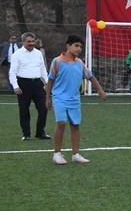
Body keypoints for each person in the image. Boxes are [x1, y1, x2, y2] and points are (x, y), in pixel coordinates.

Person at [46, 34, 107, 164]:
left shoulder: (80, 63)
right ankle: (57, 154)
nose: (79, 49)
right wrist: (48, 98)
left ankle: (76, 154)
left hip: (74, 99)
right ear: (68, 46)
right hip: (59, 97)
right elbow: (50, 80)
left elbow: (91, 77)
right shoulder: (57, 61)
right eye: (76, 45)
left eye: (80, 47)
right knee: (61, 122)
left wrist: (100, 90)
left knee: (75, 125)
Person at [9, 32, 50, 140]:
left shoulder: (38, 53)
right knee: (24, 110)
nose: (31, 43)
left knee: (43, 108)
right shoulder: (17, 54)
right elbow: (12, 72)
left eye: (32, 41)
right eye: (29, 42)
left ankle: (40, 132)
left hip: (38, 84)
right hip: (23, 84)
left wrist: (47, 82)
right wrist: (15, 86)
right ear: (23, 42)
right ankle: (26, 134)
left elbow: (43, 69)